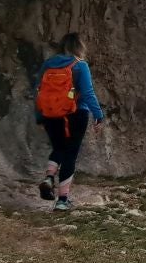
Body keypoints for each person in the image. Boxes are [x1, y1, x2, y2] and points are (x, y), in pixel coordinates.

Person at [35, 32, 104, 211]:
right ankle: (62, 200)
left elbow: (38, 90)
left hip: (51, 115)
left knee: (58, 148)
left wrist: (39, 116)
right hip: (76, 114)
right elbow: (88, 93)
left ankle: (49, 178)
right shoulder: (80, 66)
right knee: (70, 154)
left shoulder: (48, 64)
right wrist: (98, 115)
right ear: (79, 47)